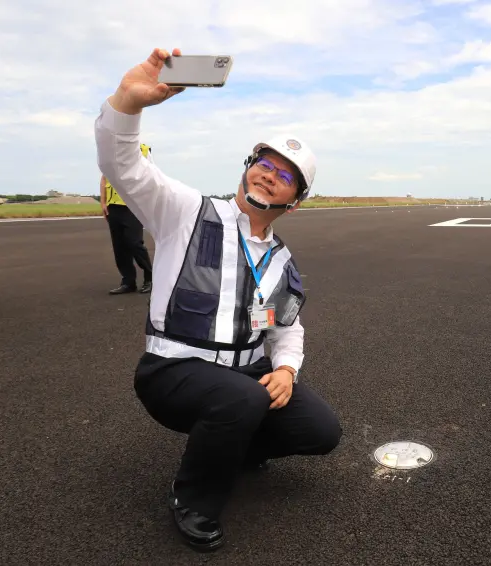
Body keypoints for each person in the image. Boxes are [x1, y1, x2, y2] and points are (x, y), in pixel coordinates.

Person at [94, 48, 342, 552]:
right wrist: (127, 103)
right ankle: (193, 499)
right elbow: (122, 165)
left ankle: (239, 442)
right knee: (241, 397)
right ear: (248, 168)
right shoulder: (185, 213)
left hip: (241, 378)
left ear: (294, 201)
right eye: (264, 163)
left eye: (285, 174)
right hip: (173, 371)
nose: (270, 173)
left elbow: (285, 327)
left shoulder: (280, 262)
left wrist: (287, 371)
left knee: (322, 430)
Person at [100, 145, 154, 294]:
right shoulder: (110, 150)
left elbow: (149, 176)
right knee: (119, 247)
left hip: (133, 205)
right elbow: (104, 178)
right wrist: (103, 202)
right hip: (114, 206)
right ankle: (128, 282)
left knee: (134, 243)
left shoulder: (142, 149)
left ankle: (150, 278)